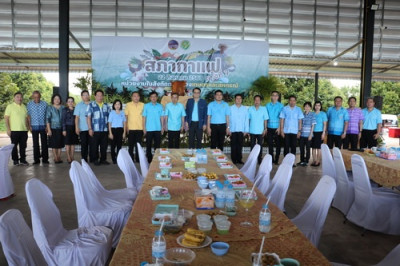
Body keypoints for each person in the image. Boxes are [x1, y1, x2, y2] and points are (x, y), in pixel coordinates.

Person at [86, 89, 111, 166]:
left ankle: (103, 159)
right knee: (94, 145)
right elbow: (88, 117)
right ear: (95, 96)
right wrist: (90, 128)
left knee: (104, 146)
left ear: (103, 96)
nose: (100, 97)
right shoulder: (91, 105)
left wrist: (110, 131)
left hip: (104, 129)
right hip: (95, 129)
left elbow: (110, 119)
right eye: (98, 95)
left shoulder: (106, 106)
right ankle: (95, 159)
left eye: (101, 95)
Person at [4, 91, 29, 166]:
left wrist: (27, 127)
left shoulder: (24, 107)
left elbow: (26, 118)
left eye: (21, 97)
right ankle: (15, 160)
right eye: (17, 97)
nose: (19, 98)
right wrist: (8, 129)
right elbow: (6, 118)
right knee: (14, 146)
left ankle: (23, 159)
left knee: (23, 146)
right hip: (14, 130)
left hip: (24, 130)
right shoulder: (10, 106)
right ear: (14, 98)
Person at [280, 95, 304, 166]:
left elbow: (300, 121)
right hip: (286, 131)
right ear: (288, 101)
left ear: (295, 101)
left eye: (294, 100)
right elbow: (282, 119)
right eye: (291, 100)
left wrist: (299, 131)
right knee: (286, 146)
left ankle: (292, 162)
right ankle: (286, 162)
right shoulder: (284, 109)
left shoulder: (298, 109)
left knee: (293, 147)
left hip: (295, 131)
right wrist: (281, 130)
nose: (292, 102)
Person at [27, 90, 49, 164]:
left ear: (40, 96)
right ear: (33, 97)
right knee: (35, 144)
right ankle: (36, 160)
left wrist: (47, 126)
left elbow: (47, 116)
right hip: (34, 126)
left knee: (44, 143)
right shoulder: (29, 104)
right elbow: (29, 116)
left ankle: (45, 159)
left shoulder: (45, 104)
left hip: (43, 126)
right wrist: (29, 126)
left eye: (38, 97)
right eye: (35, 97)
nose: (37, 98)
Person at [143, 91, 164, 163]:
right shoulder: (146, 106)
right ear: (150, 98)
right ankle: (149, 159)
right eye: (152, 97)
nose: (153, 98)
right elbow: (144, 117)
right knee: (148, 145)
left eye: (155, 96)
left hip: (158, 128)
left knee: (157, 146)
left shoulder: (160, 106)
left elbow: (162, 117)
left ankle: (156, 159)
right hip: (149, 129)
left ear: (157, 98)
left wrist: (162, 127)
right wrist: (144, 128)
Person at [248, 95, 269, 164]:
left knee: (260, 146)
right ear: (254, 101)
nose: (257, 101)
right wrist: (247, 130)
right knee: (252, 146)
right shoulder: (250, 109)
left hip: (260, 131)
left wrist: (265, 129)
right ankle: (252, 160)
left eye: (258, 100)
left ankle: (259, 159)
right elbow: (248, 120)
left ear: (260, 101)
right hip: (252, 130)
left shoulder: (264, 109)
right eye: (255, 100)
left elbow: (265, 120)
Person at [229, 94, 249, 165]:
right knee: (233, 145)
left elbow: (246, 120)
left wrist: (246, 130)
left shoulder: (244, 109)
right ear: (235, 99)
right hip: (233, 130)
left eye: (240, 98)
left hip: (241, 130)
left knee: (240, 145)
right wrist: (228, 129)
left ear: (241, 100)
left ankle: (239, 159)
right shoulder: (230, 108)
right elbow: (228, 119)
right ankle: (233, 160)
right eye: (237, 98)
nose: (238, 100)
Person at [125, 91, 144, 163]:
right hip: (131, 128)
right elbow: (126, 116)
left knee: (139, 146)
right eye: (134, 96)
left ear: (139, 97)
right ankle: (131, 159)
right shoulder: (128, 105)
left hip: (140, 128)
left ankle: (138, 159)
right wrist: (126, 127)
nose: (136, 97)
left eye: (137, 96)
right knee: (131, 145)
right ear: (132, 97)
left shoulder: (143, 105)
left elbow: (145, 117)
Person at [266, 91, 284, 164]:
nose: (274, 97)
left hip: (277, 128)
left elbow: (282, 118)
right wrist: (265, 128)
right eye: (273, 95)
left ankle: (276, 160)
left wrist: (280, 128)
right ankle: (271, 160)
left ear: (278, 97)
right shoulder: (267, 105)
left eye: (276, 95)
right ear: (271, 96)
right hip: (269, 127)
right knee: (270, 144)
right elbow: (266, 117)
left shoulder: (281, 106)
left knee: (278, 145)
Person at [46, 94, 64, 164]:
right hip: (52, 128)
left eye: (58, 99)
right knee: (54, 144)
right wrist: (49, 129)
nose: (57, 100)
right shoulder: (50, 108)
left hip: (61, 128)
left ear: (60, 100)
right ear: (53, 100)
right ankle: (55, 157)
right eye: (55, 99)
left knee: (60, 143)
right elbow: (47, 119)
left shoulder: (63, 107)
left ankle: (59, 157)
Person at [74, 90, 91, 162]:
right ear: (81, 97)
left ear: (89, 96)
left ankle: (93, 158)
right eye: (84, 95)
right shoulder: (78, 105)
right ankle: (84, 159)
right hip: (83, 128)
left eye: (87, 94)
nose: (86, 96)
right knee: (84, 145)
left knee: (92, 144)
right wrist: (77, 127)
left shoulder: (92, 104)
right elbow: (77, 117)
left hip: (92, 128)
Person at [297, 102, 316, 167]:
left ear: (310, 108)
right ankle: (302, 160)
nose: (307, 107)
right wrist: (299, 132)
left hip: (309, 135)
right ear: (304, 107)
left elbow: (313, 125)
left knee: (308, 149)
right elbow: (300, 124)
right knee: (301, 148)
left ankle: (306, 161)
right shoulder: (302, 114)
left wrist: (311, 134)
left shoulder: (312, 115)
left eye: (308, 106)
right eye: (305, 106)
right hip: (302, 134)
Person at [108, 99, 126, 164]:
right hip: (113, 130)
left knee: (119, 146)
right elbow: (109, 123)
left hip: (120, 130)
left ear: (120, 105)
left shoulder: (122, 113)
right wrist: (110, 133)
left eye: (119, 104)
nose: (117, 105)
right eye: (116, 104)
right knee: (113, 146)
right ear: (114, 105)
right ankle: (113, 159)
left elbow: (124, 123)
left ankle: (118, 158)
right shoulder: (111, 113)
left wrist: (124, 132)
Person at [62, 97, 78, 163]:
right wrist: (64, 130)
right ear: (67, 103)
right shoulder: (64, 110)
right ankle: (68, 157)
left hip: (74, 128)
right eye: (69, 101)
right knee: (67, 144)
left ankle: (72, 157)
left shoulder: (76, 109)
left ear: (73, 102)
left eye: (72, 101)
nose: (70, 103)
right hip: (67, 128)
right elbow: (63, 120)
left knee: (73, 144)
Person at [311, 101, 327, 167]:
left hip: (320, 132)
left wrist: (323, 133)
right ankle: (314, 160)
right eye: (316, 105)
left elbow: (325, 124)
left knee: (318, 148)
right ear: (314, 106)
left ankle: (318, 161)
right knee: (313, 147)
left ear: (320, 106)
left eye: (319, 105)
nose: (317, 107)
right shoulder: (312, 114)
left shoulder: (323, 114)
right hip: (312, 132)